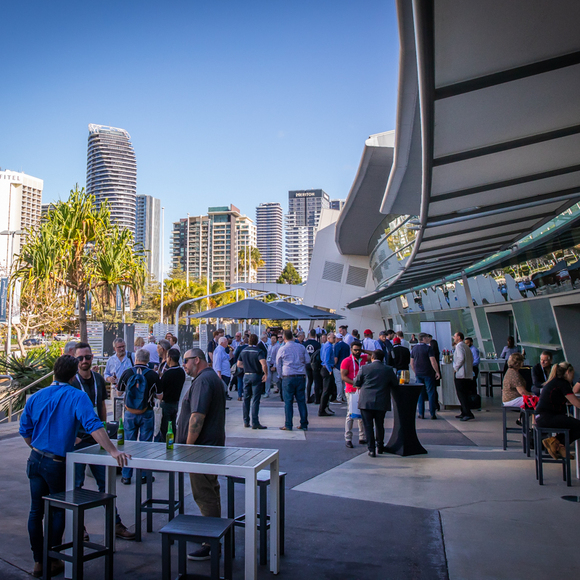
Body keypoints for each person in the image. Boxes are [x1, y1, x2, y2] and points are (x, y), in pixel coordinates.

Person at [19, 355, 130, 578]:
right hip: (56, 463)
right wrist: (113, 450)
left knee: (35, 511)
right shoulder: (77, 396)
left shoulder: (36, 396)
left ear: (53, 372)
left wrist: (39, 447)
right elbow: (94, 426)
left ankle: (38, 561)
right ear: (73, 375)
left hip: (35, 459)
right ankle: (53, 560)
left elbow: (25, 430)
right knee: (58, 510)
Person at [71, 342, 135, 541]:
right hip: (78, 442)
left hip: (96, 439)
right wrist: (71, 435)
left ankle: (115, 523)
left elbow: (101, 406)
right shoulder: (71, 381)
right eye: (80, 358)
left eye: (87, 357)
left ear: (92, 358)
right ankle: (79, 527)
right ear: (75, 360)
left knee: (105, 484)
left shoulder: (98, 379)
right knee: (76, 485)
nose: (84, 361)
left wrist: (105, 429)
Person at [177, 348, 226, 561]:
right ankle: (211, 534)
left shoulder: (203, 381)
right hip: (207, 447)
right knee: (209, 491)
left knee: (204, 493)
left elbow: (197, 416)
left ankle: (211, 542)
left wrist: (188, 446)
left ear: (197, 360)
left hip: (201, 449)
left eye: (186, 361)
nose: (184, 365)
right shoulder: (207, 378)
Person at [117, 349, 161, 484]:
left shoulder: (127, 373)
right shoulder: (152, 375)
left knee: (128, 444)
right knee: (145, 444)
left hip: (129, 413)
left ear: (136, 359)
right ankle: (144, 475)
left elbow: (119, 393)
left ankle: (126, 476)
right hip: (146, 412)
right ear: (148, 360)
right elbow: (160, 395)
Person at [355, 350, 397, 456]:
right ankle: (380, 446)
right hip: (381, 400)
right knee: (379, 424)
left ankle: (371, 449)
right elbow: (395, 384)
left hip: (366, 401)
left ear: (372, 357)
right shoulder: (388, 369)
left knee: (368, 426)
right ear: (383, 358)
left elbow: (356, 382)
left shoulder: (365, 368)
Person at [535, 361, 580, 460]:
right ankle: (557, 444)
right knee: (578, 426)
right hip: (547, 418)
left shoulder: (555, 382)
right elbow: (576, 403)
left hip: (542, 417)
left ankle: (556, 444)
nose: (573, 376)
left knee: (574, 425)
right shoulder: (563, 384)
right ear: (568, 372)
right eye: (573, 373)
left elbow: (568, 401)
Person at [276, 329, 310, 431]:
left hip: (288, 376)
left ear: (284, 337)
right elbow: (307, 360)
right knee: (301, 401)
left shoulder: (282, 349)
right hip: (300, 375)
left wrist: (280, 375)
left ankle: (288, 424)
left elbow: (278, 363)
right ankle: (304, 423)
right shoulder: (301, 347)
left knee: (288, 401)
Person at [238, 334, 268, 429]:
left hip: (246, 375)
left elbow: (239, 364)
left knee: (246, 399)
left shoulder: (244, 351)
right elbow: (263, 364)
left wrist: (246, 367)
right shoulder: (259, 351)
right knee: (255, 399)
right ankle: (255, 422)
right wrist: (265, 374)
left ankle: (246, 421)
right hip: (256, 375)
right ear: (256, 341)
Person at [341, 341, 368, 447]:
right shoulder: (346, 361)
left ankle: (362, 436)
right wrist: (355, 383)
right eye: (355, 350)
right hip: (351, 389)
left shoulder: (363, 358)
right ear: (351, 350)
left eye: (359, 350)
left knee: (362, 412)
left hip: (362, 389)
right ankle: (348, 437)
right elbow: (343, 376)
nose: (357, 352)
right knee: (351, 413)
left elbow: (375, 354)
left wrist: (364, 351)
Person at [159, 348, 186, 441]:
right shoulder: (181, 372)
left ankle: (166, 443)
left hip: (166, 403)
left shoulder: (168, 373)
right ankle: (173, 442)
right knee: (172, 425)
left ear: (169, 358)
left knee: (165, 427)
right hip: (175, 402)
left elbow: (160, 389)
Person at [411, 333, 440, 420]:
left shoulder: (414, 348)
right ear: (423, 338)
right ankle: (432, 413)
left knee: (420, 394)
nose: (428, 339)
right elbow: (433, 361)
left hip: (419, 373)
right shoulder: (428, 348)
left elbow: (412, 362)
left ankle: (421, 413)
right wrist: (437, 371)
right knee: (431, 393)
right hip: (428, 373)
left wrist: (415, 371)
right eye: (427, 338)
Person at [452, 332, 475, 421]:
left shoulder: (459, 346)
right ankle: (464, 412)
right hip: (467, 374)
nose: (454, 337)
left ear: (459, 337)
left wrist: (456, 368)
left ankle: (467, 412)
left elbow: (461, 358)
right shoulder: (466, 346)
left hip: (461, 374)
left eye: (455, 336)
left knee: (461, 394)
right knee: (465, 393)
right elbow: (471, 359)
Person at [319, 332, 336, 416]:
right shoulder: (328, 346)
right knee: (326, 390)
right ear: (329, 338)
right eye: (333, 338)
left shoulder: (325, 345)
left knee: (329, 389)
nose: (335, 339)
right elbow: (326, 359)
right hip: (327, 369)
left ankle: (325, 406)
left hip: (325, 368)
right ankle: (322, 409)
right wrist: (329, 369)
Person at [304, 330, 321, 403]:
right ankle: (317, 398)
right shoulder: (317, 344)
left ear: (309, 334)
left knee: (309, 381)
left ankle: (308, 397)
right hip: (315, 364)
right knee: (316, 381)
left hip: (307, 364)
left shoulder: (305, 344)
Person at [333, 333, 351, 403]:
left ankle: (339, 398)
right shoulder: (346, 345)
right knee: (344, 382)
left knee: (338, 382)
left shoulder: (337, 345)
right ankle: (344, 397)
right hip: (346, 366)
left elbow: (336, 357)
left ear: (337, 338)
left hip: (338, 366)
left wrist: (334, 365)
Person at [232, 335, 249, 401]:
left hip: (240, 365)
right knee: (246, 381)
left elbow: (235, 356)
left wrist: (235, 363)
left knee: (240, 381)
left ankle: (239, 395)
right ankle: (246, 394)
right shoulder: (249, 348)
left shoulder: (239, 348)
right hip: (247, 366)